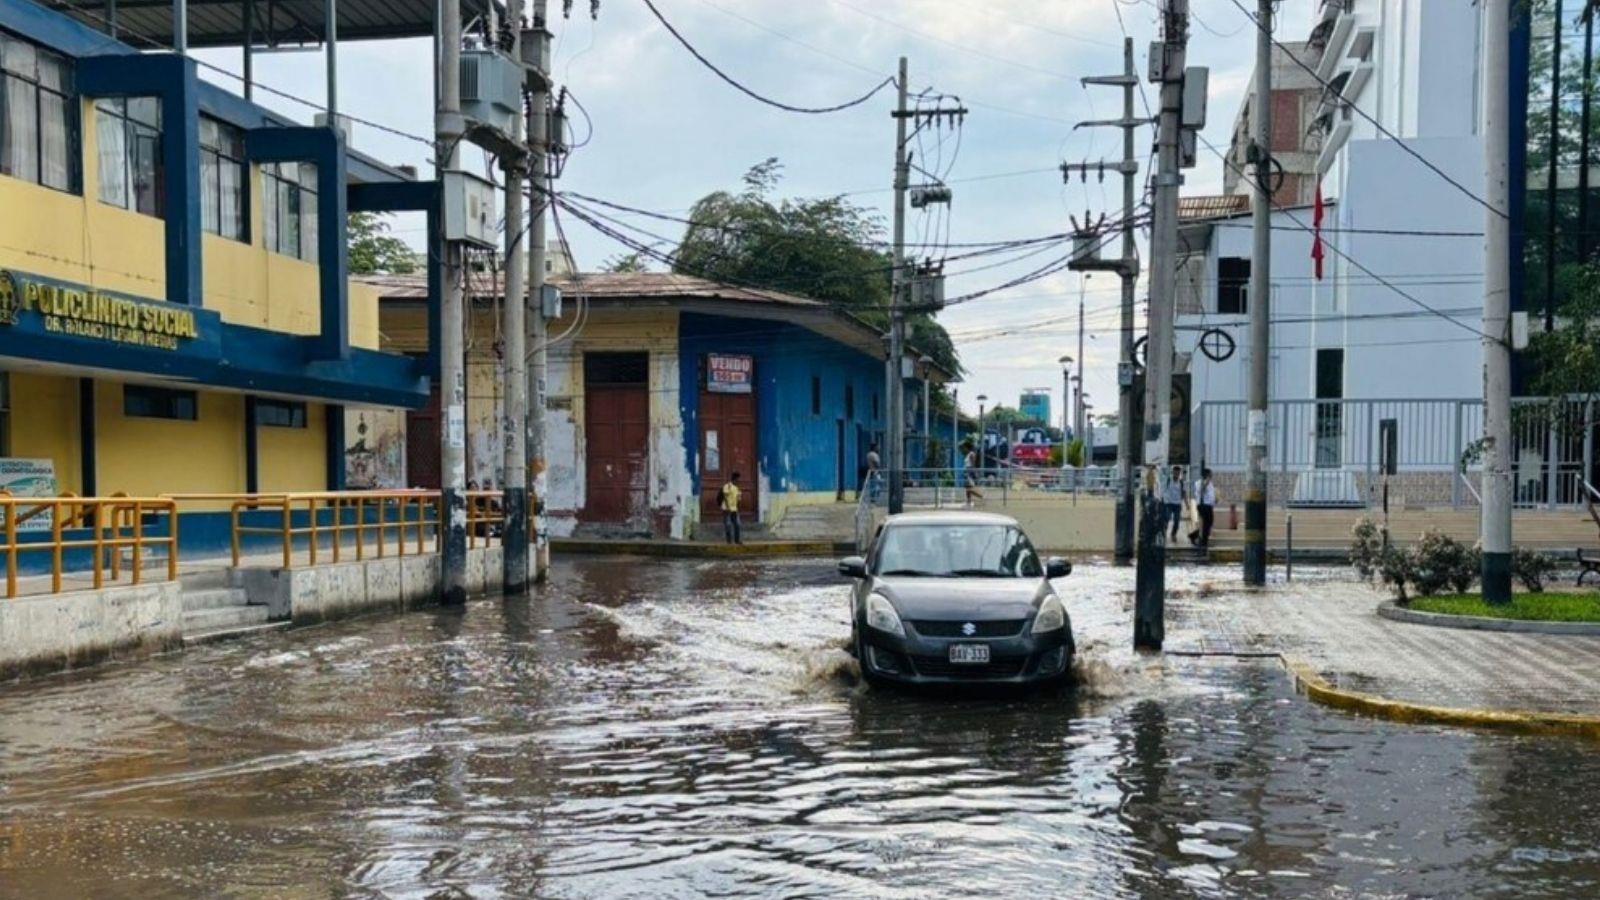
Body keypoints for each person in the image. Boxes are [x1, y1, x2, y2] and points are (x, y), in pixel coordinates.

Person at [1195, 468, 1217, 548]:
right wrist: (1206, 483)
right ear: (1207, 475)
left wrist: (1215, 500)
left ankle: (1201, 538)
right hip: (1203, 505)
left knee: (1209, 522)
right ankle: (1203, 541)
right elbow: (1201, 491)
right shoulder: (1198, 483)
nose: (1212, 476)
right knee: (1205, 523)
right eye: (1210, 474)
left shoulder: (1210, 483)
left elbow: (1211, 494)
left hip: (1209, 505)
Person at [1162, 465, 1185, 541]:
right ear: (1173, 473)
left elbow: (1183, 493)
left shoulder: (1181, 482)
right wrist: (1163, 500)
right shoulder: (1168, 480)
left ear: (1179, 473)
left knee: (1177, 520)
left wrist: (1187, 504)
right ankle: (1164, 532)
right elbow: (1163, 490)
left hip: (1177, 504)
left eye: (1178, 473)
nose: (1176, 475)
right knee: (1166, 518)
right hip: (1169, 503)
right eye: (1175, 473)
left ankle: (1173, 534)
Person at [720, 472, 743, 545]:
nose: (739, 481)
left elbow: (738, 499)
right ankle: (729, 541)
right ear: (735, 479)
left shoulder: (737, 488)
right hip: (727, 509)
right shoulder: (727, 486)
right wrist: (728, 507)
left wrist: (739, 495)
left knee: (737, 524)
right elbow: (725, 497)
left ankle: (737, 540)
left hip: (734, 509)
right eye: (738, 479)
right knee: (728, 524)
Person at [962, 441, 984, 507]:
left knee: (969, 488)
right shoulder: (968, 454)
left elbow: (973, 464)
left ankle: (981, 496)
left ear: (967, 447)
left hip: (970, 472)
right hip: (967, 471)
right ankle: (968, 502)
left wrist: (974, 473)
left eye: (964, 447)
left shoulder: (972, 454)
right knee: (967, 488)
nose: (964, 449)